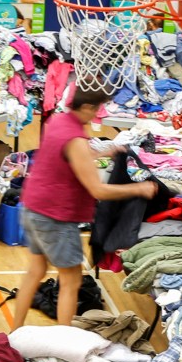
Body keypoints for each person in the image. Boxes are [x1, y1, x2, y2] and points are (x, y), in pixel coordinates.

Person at [11, 88, 158, 328]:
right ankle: (66, 342)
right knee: (71, 281)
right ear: (88, 107)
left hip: (32, 208)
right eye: (97, 108)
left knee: (35, 271)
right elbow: (98, 191)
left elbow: (70, 157)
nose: (97, 113)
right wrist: (139, 189)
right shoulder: (75, 141)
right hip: (55, 218)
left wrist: (106, 152)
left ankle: (15, 331)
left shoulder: (58, 121)